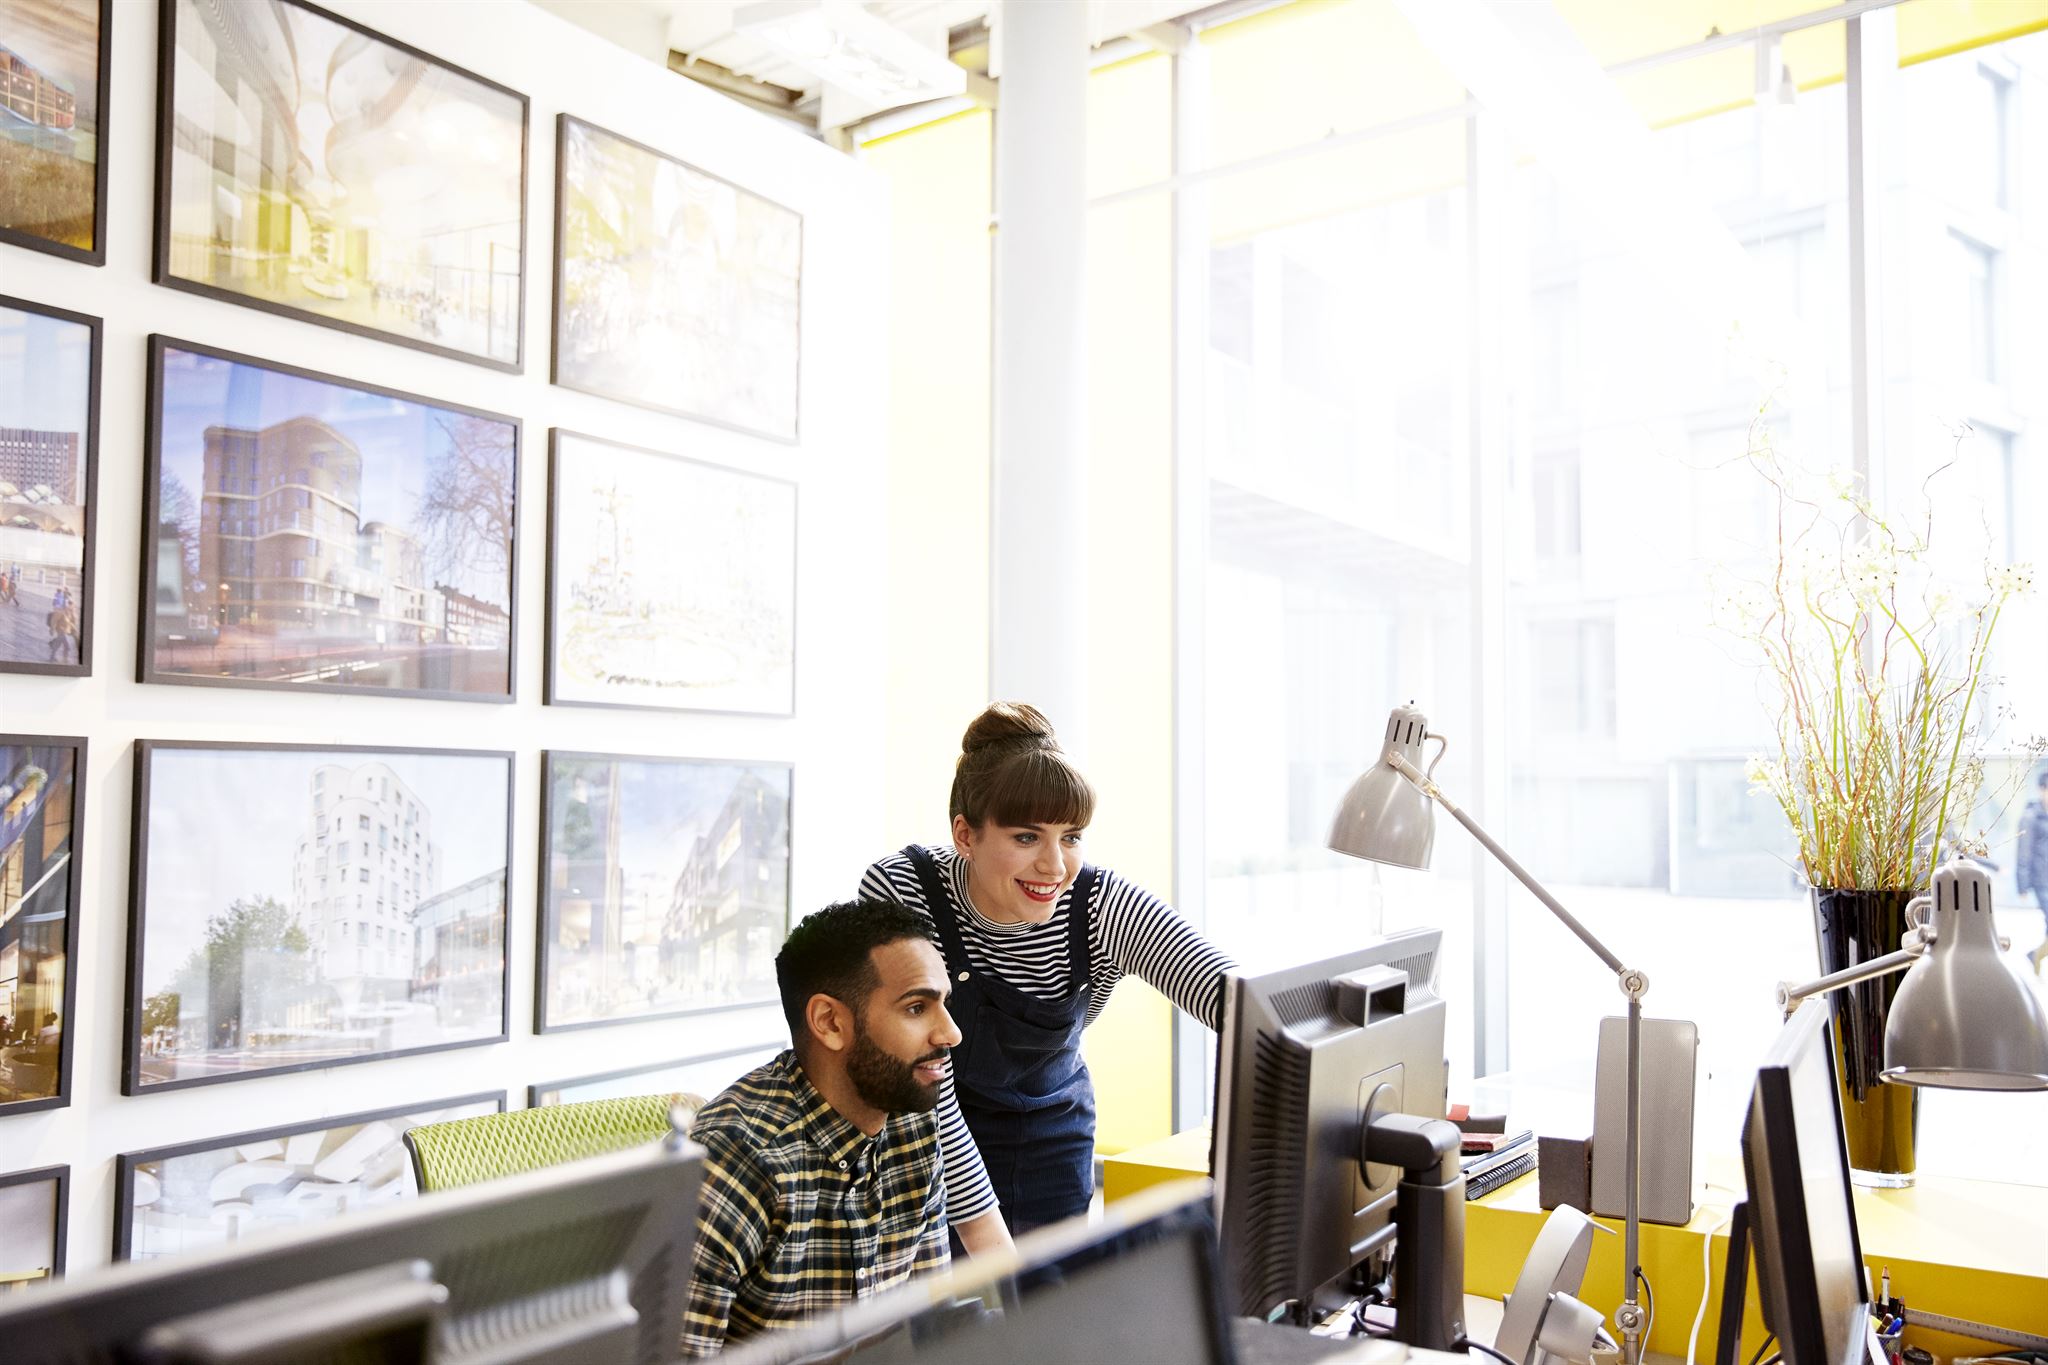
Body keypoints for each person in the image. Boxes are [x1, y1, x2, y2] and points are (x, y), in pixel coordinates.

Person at [861, 702, 1238, 1254]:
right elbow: (922, 1079)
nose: (1055, 867)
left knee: (1047, 1314)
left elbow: (1227, 995)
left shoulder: (1100, 903)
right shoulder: (905, 892)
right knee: (948, 1325)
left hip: (1053, 1141)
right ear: (965, 835)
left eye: (1071, 836)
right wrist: (991, 1243)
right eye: (1026, 837)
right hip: (924, 1133)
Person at [679, 900, 959, 1357]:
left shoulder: (914, 1122)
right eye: (916, 1008)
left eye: (944, 1005)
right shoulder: (736, 1159)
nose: (950, 1033)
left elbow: (936, 1336)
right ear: (830, 1023)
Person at [2016, 770, 2048, 973]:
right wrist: (2022, 884)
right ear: (2041, 790)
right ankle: (2036, 955)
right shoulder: (2031, 817)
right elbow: (2023, 852)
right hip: (2041, 880)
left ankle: (2036, 955)